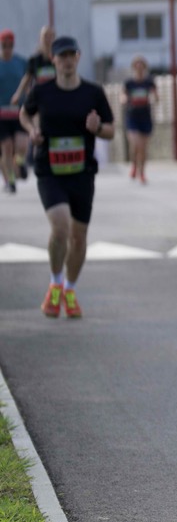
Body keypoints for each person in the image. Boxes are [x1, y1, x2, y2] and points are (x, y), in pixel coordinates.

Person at [19, 36, 115, 318]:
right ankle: (55, 283)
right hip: (50, 170)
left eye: (72, 55)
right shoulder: (42, 91)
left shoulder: (93, 92)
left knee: (79, 237)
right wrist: (32, 131)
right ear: (54, 60)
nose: (67, 61)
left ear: (78, 57)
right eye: (62, 56)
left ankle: (70, 290)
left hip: (82, 173)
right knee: (60, 228)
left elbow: (111, 130)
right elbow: (24, 114)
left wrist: (97, 128)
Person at [12, 26, 56, 182]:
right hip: (40, 103)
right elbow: (27, 78)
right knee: (38, 132)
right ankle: (36, 161)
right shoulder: (35, 60)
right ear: (40, 39)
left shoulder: (58, 58)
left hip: (56, 101)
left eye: (51, 36)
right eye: (45, 36)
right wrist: (18, 94)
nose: (48, 39)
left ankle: (50, 160)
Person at [121, 55, 159, 184]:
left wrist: (155, 97)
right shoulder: (129, 83)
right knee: (135, 145)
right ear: (133, 67)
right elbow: (123, 95)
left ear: (144, 67)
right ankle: (134, 165)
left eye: (141, 66)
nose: (139, 68)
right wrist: (124, 100)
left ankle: (142, 172)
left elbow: (156, 96)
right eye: (137, 66)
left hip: (145, 117)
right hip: (133, 117)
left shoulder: (149, 82)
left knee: (143, 147)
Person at [0, 29, 28, 193]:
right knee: (7, 147)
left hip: (18, 111)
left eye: (10, 45)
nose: (7, 49)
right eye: (4, 45)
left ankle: (20, 162)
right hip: (1, 114)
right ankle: (10, 180)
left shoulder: (21, 63)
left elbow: (29, 81)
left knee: (21, 144)